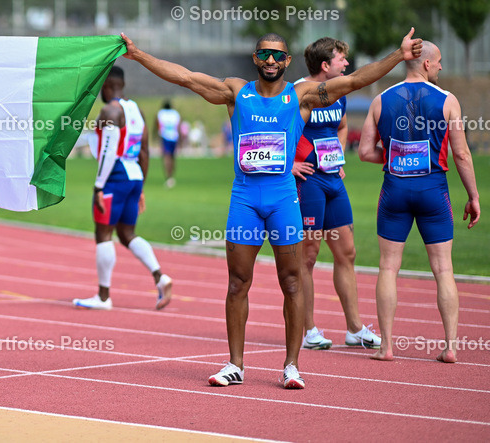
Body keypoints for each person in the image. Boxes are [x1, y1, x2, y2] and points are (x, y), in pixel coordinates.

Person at [121, 28, 423, 389]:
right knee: (237, 283)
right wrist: (138, 55)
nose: (270, 60)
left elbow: (356, 79)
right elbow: (185, 77)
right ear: (255, 58)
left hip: (283, 199)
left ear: (288, 61)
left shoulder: (303, 96)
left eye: (278, 55)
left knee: (292, 280)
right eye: (264, 54)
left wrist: (398, 55)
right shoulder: (236, 91)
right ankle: (236, 365)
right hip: (245, 199)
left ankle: (291, 366)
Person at [358, 41, 479, 362]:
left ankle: (386, 347)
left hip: (394, 191)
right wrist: (474, 196)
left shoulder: (381, 99)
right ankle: (451, 347)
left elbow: (365, 152)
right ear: (425, 64)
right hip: (433, 191)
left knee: (388, 267)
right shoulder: (448, 100)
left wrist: (396, 156)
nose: (440, 67)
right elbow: (462, 154)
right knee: (443, 269)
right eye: (438, 62)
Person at [292, 38, 381, 351]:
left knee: (347, 252)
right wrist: (289, 164)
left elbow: (342, 126)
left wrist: (338, 155)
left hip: (333, 180)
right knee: (309, 255)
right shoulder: (296, 93)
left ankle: (355, 328)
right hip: (308, 182)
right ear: (325, 66)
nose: (347, 65)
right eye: (342, 60)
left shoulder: (339, 92)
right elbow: (276, 130)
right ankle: (308, 330)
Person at [73, 66, 174, 311]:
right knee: (127, 234)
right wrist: (140, 188)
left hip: (114, 176)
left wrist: (98, 186)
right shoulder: (135, 110)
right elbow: (145, 151)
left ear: (106, 86)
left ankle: (104, 297)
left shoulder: (110, 110)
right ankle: (160, 276)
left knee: (103, 234)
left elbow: (108, 151)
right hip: (134, 176)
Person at [157, 101, 181, 188]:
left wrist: (158, 137)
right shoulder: (175, 114)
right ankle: (172, 176)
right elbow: (178, 126)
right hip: (174, 137)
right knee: (173, 157)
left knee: (166, 157)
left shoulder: (161, 113)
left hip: (165, 136)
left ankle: (168, 176)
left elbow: (159, 126)